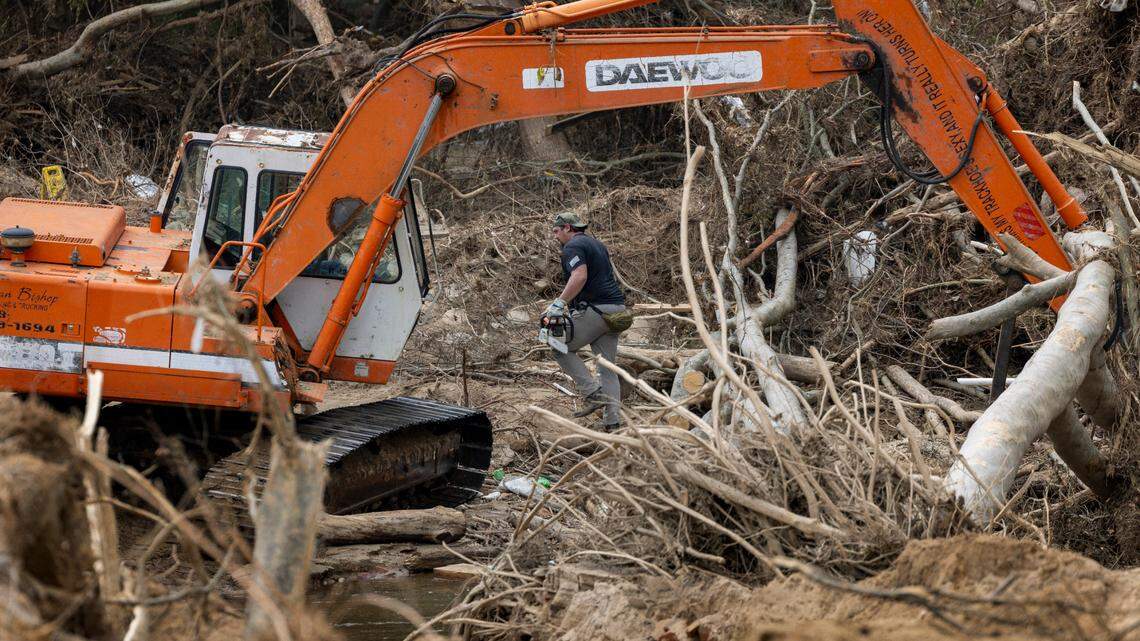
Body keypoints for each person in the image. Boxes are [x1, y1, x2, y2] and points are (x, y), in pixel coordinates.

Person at [543, 212, 627, 429]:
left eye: (557, 231)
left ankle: (592, 393)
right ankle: (613, 423)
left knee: (558, 346)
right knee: (607, 368)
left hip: (596, 310)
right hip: (617, 310)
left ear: (568, 228)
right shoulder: (596, 244)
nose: (555, 236)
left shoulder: (572, 246)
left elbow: (579, 276)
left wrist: (559, 303)